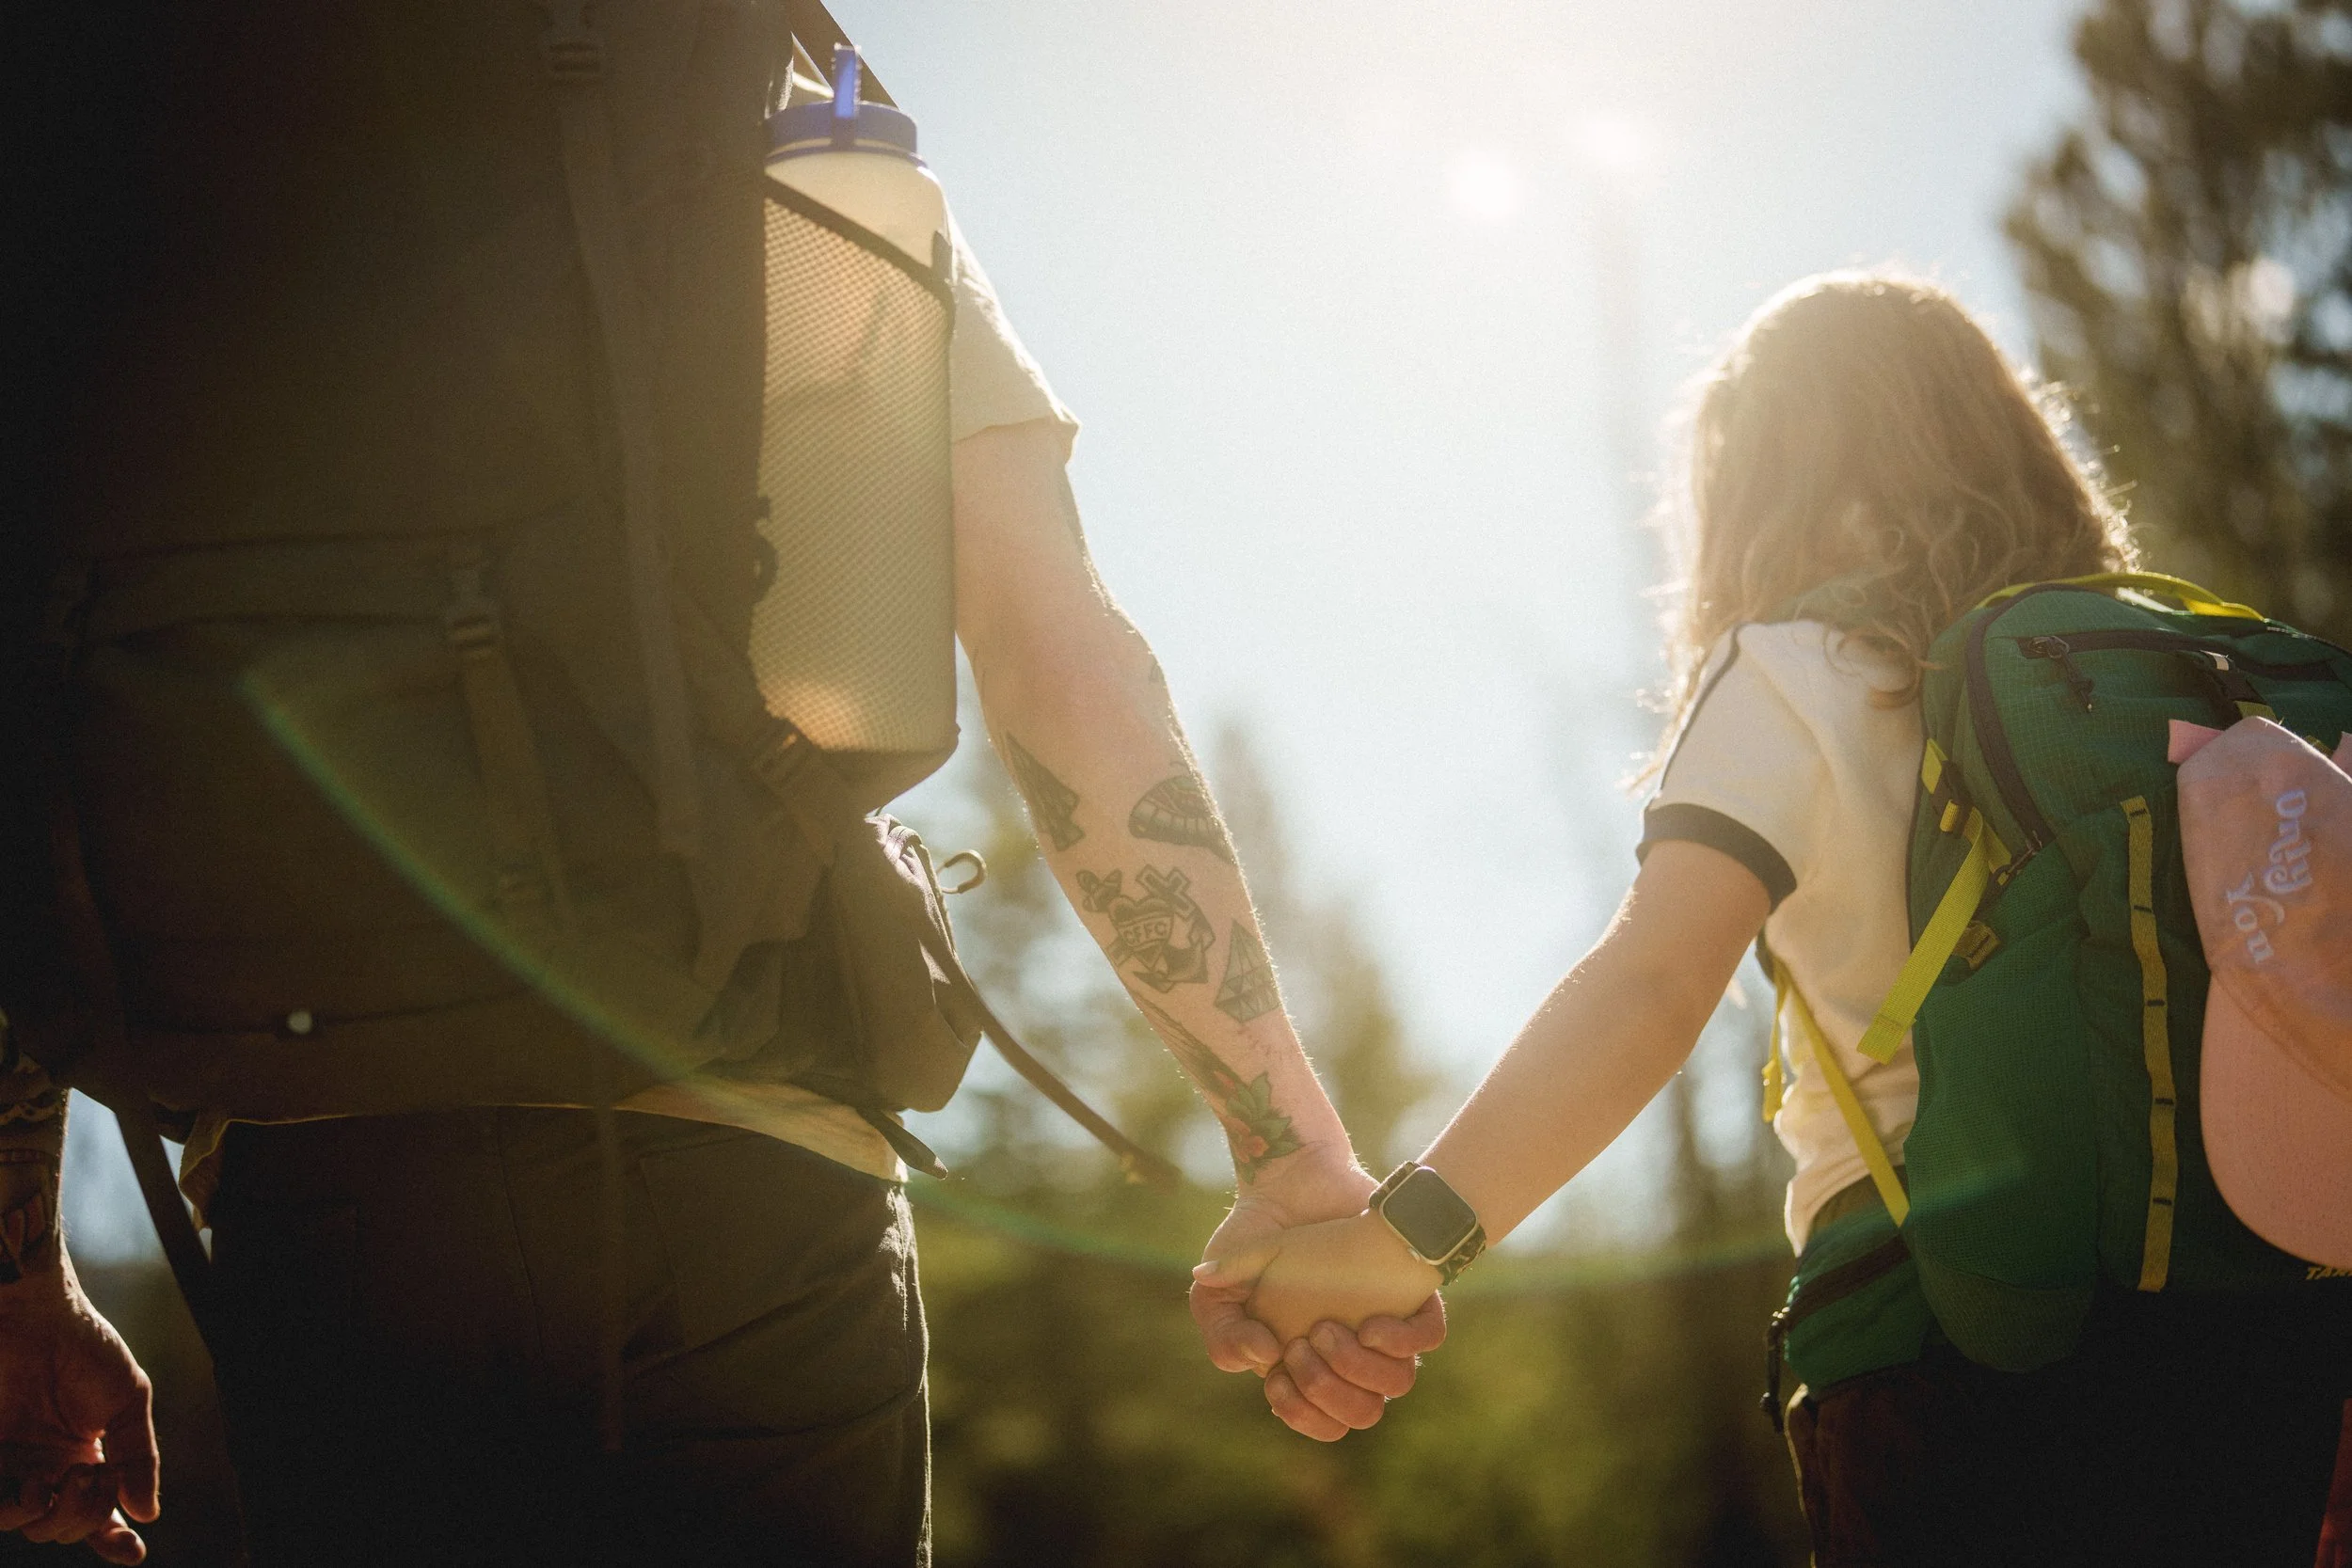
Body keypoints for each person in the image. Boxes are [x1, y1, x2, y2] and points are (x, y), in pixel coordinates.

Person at [2, 6, 1435, 1562]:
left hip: (327, 1182)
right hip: (743, 1146)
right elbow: (1054, 653)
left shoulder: (138, 128)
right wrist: (1288, 1150)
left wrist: (16, 1261)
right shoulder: (760, 100)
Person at [1208, 272, 2352, 1559]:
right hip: (2256, 1331)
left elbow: (1655, 982)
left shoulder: (1797, 671)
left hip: (1945, 1336)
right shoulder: (2157, 696)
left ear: (1763, 478)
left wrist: (1403, 1239)